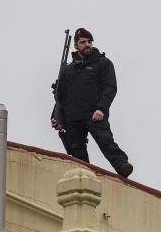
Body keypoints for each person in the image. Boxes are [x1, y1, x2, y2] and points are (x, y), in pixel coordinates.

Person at [51, 28, 133, 178]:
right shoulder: (68, 71)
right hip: (72, 118)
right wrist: (55, 117)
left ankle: (122, 166)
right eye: (83, 42)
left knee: (106, 141)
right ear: (76, 45)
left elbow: (110, 88)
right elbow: (60, 96)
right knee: (77, 151)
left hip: (94, 113)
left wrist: (101, 108)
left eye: (89, 42)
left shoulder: (102, 63)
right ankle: (85, 177)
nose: (87, 44)